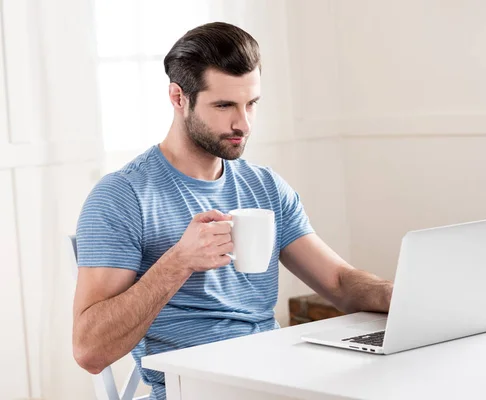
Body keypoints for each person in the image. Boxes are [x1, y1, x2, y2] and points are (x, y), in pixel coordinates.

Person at [72, 21, 392, 400]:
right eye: (224, 105)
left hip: (277, 377)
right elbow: (90, 351)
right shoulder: (122, 196)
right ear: (179, 98)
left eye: (251, 103)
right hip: (196, 388)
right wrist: (179, 262)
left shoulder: (265, 186)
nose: (243, 123)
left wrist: (401, 296)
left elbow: (338, 282)